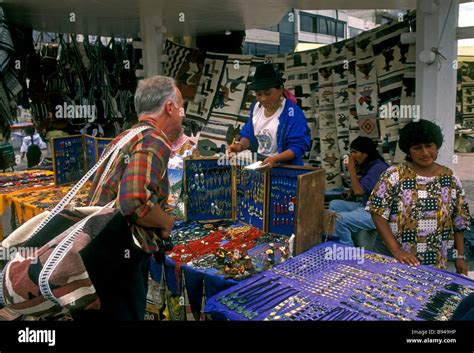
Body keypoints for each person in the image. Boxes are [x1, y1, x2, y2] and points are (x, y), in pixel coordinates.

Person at [76, 76, 184, 320]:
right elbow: (133, 201)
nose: (182, 116)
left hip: (95, 255)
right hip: (118, 259)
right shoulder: (153, 139)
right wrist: (165, 222)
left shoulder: (123, 138)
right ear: (169, 108)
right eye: (181, 108)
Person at [366, 119, 470, 273]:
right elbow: (377, 213)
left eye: (429, 146)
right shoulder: (394, 175)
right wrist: (397, 251)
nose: (425, 153)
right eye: (417, 148)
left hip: (436, 262)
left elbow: (459, 220)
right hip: (396, 261)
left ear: (437, 146)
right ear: (408, 150)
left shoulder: (450, 178)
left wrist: (459, 257)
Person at [227, 64, 310, 167]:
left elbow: (299, 146)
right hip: (260, 165)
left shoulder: (292, 112)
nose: (263, 99)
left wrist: (275, 159)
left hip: (285, 169)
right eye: (258, 94)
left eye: (268, 93)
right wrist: (239, 147)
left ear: (280, 89)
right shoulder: (257, 108)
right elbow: (248, 134)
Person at [328, 136, 389, 246]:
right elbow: (361, 187)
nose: (352, 156)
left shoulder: (378, 167)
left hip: (377, 213)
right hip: (365, 206)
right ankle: (340, 238)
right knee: (334, 205)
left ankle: (348, 249)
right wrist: (350, 190)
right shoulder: (370, 165)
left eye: (355, 152)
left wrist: (351, 168)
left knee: (339, 219)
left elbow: (359, 191)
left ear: (365, 154)